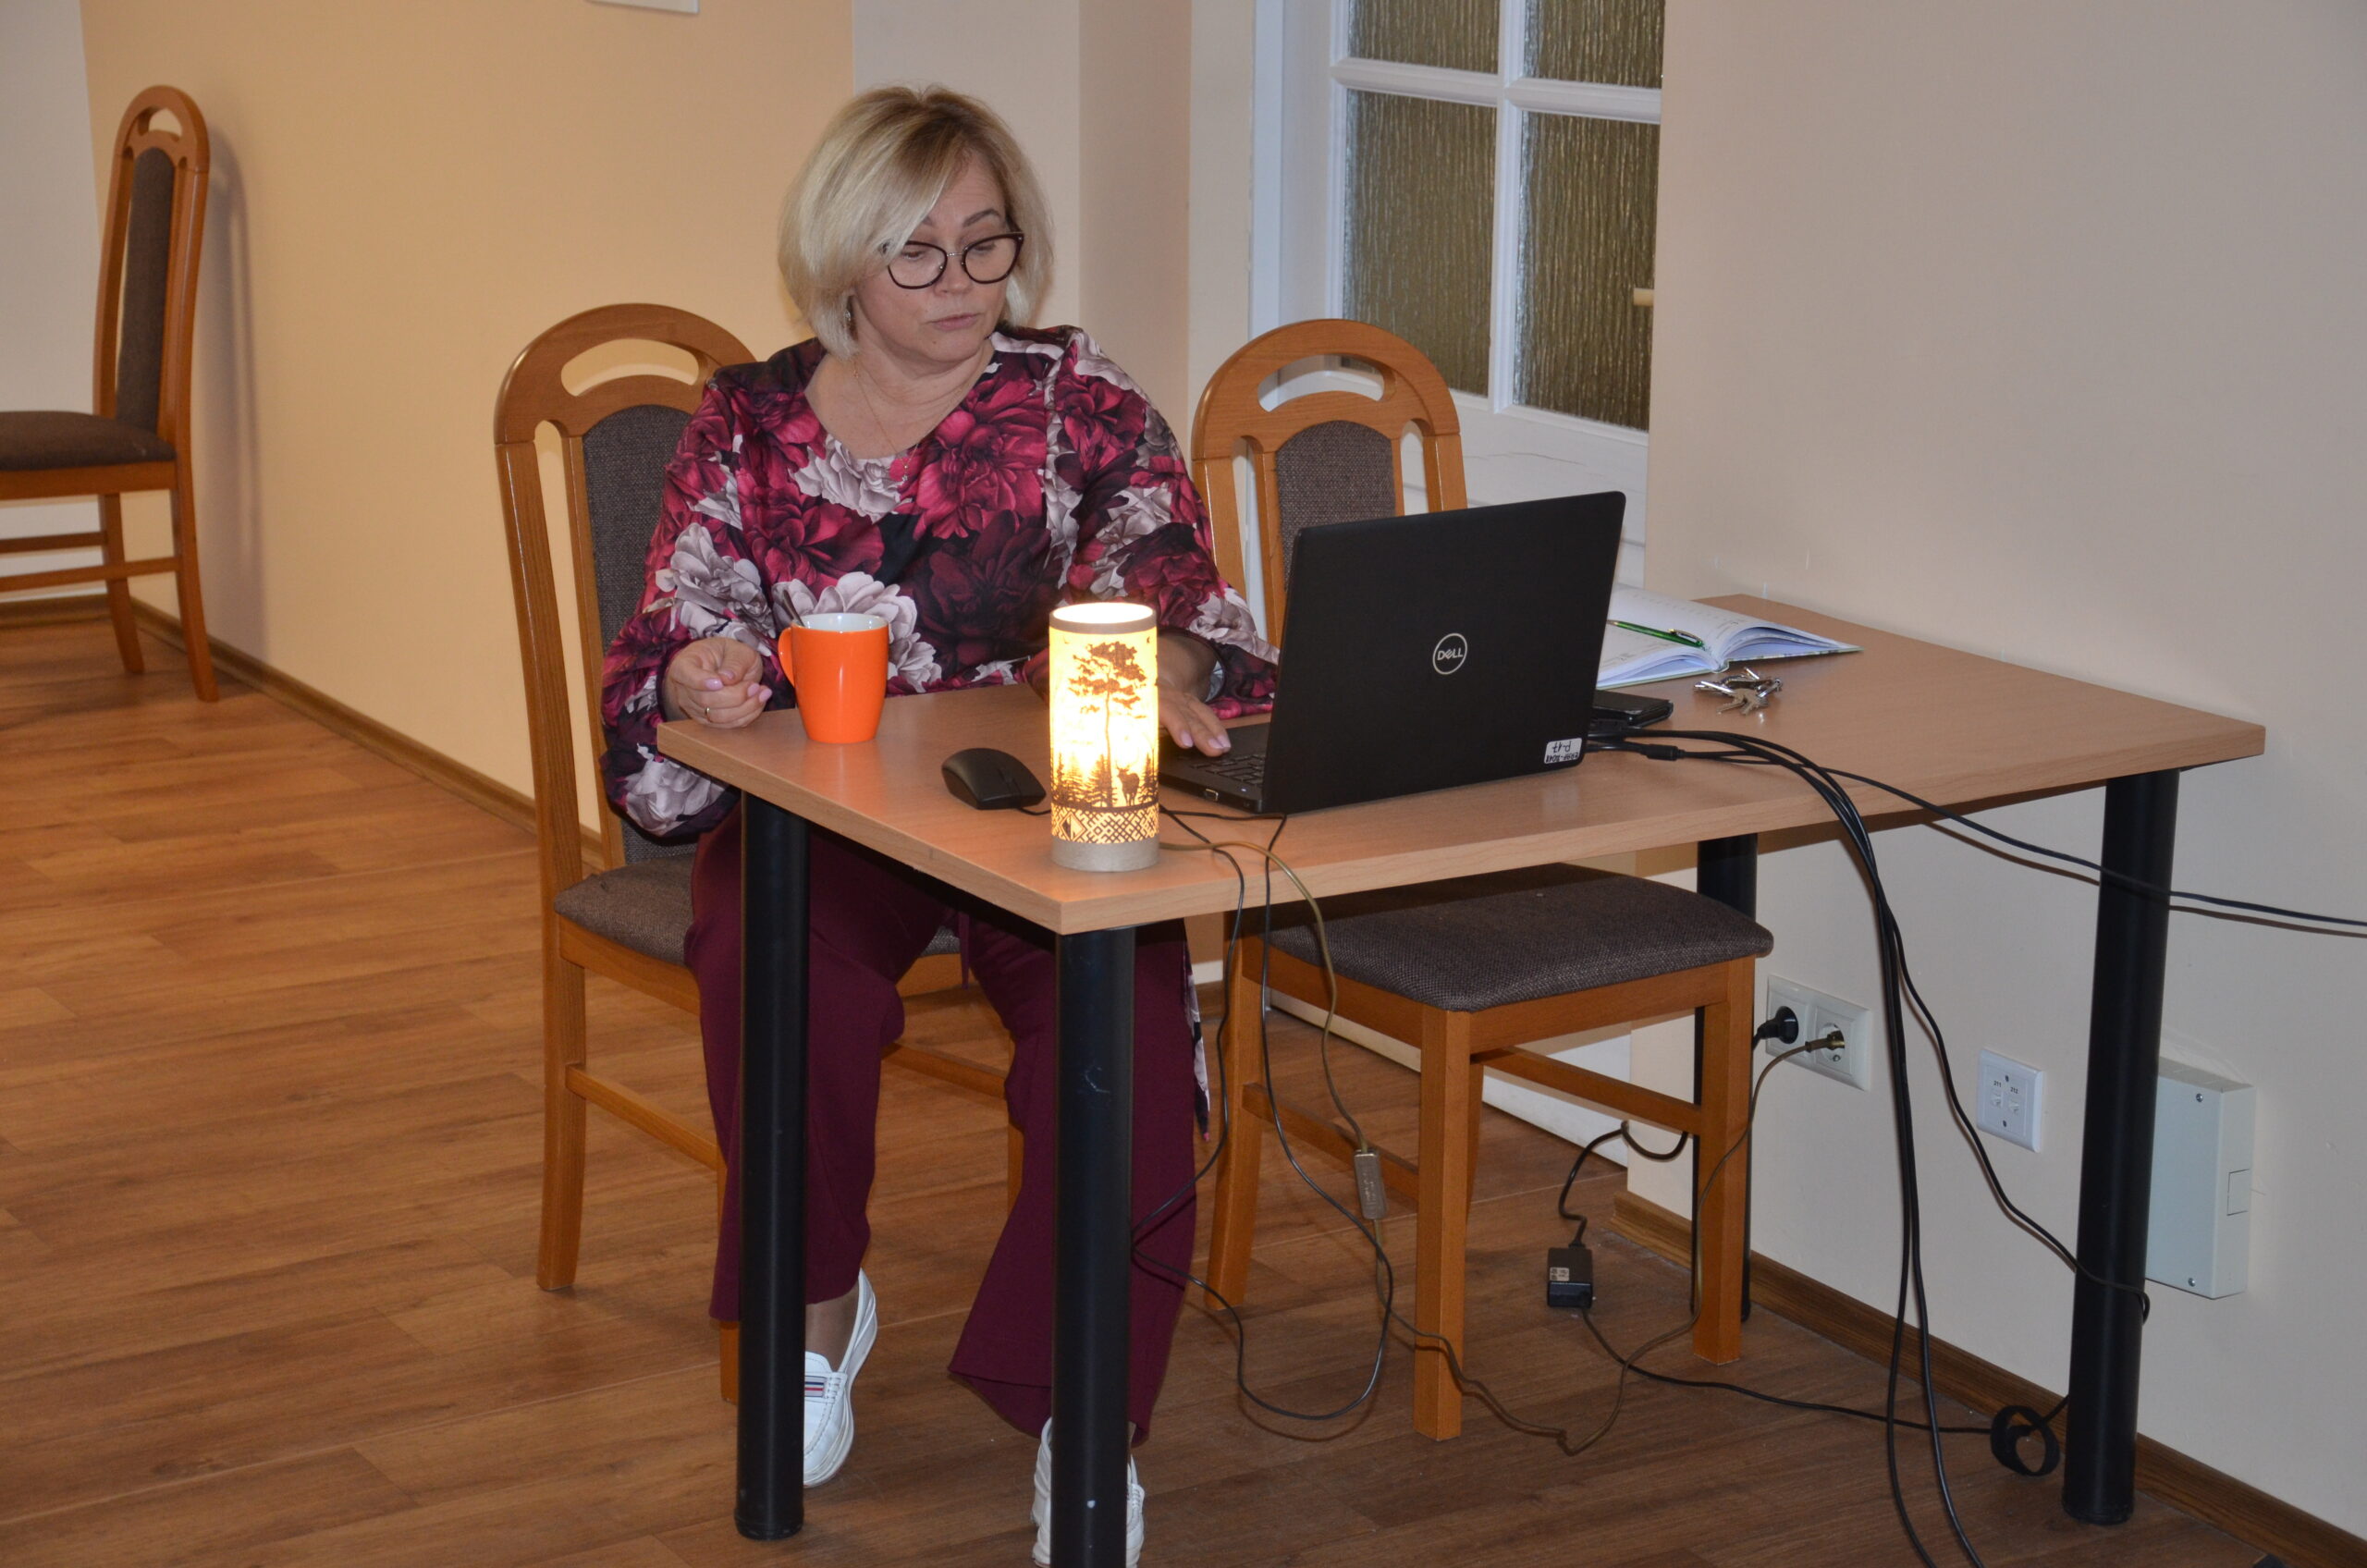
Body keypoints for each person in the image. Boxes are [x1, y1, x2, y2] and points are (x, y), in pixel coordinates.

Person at [599, 85, 1275, 1562]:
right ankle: (814, 1307)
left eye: (988, 244)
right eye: (918, 252)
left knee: (1128, 1033)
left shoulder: (1076, 398)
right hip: (831, 816)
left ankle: (1084, 1409)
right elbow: (675, 633)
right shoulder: (748, 421)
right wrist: (704, 678)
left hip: (1042, 803)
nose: (962, 283)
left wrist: (1168, 658)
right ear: (841, 259)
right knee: (768, 961)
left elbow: (1169, 572)